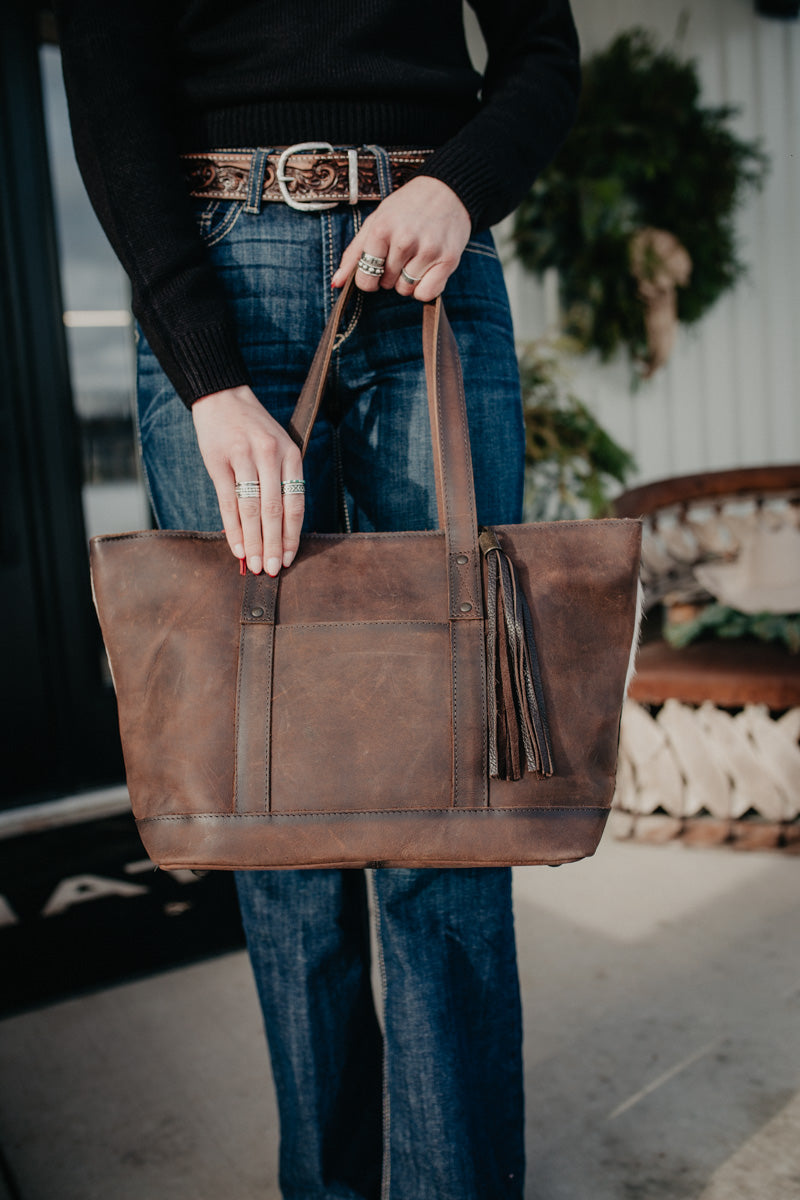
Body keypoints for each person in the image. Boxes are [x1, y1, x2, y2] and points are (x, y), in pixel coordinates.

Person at [55, 2, 580, 1196]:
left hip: (429, 261)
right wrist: (202, 363)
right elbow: (108, 69)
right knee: (275, 816)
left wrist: (461, 183)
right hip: (224, 266)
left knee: (453, 796)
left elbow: (543, 53)